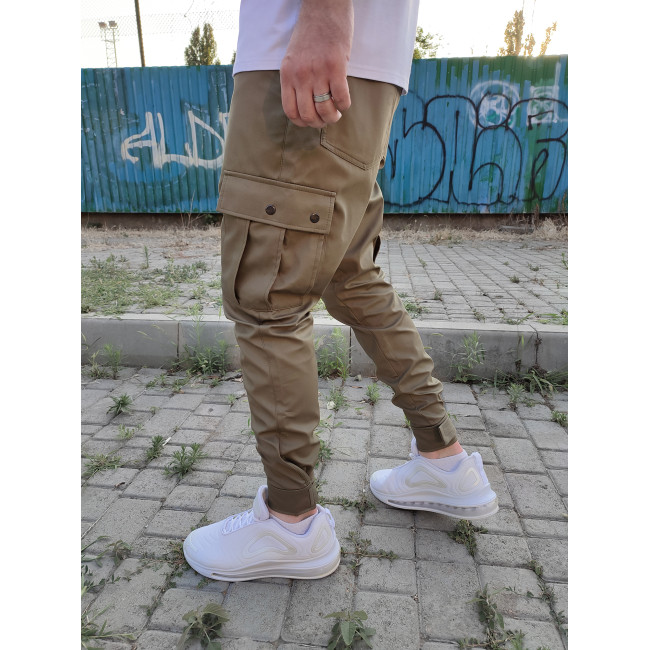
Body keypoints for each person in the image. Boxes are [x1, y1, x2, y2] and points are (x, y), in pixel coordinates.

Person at [183, 0, 497, 582]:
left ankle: (291, 523)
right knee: (351, 278)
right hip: (368, 73)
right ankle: (443, 458)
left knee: (267, 297)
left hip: (303, 60)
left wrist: (324, 20)